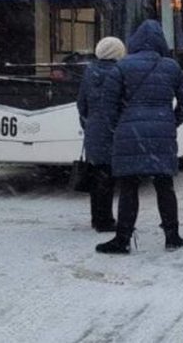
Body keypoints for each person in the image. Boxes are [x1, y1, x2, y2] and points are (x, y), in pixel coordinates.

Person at [96, 20, 183, 254]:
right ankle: (172, 236)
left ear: (135, 41)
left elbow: (107, 105)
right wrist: (171, 120)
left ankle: (122, 239)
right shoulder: (172, 67)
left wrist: (118, 126)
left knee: (129, 186)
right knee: (164, 185)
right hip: (163, 132)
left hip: (129, 132)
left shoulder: (121, 67)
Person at [77, 36, 126, 233]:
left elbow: (82, 103)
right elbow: (122, 102)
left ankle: (97, 218)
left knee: (97, 174)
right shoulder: (119, 72)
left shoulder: (89, 71)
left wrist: (88, 123)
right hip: (112, 129)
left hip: (94, 129)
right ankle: (106, 221)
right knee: (109, 177)